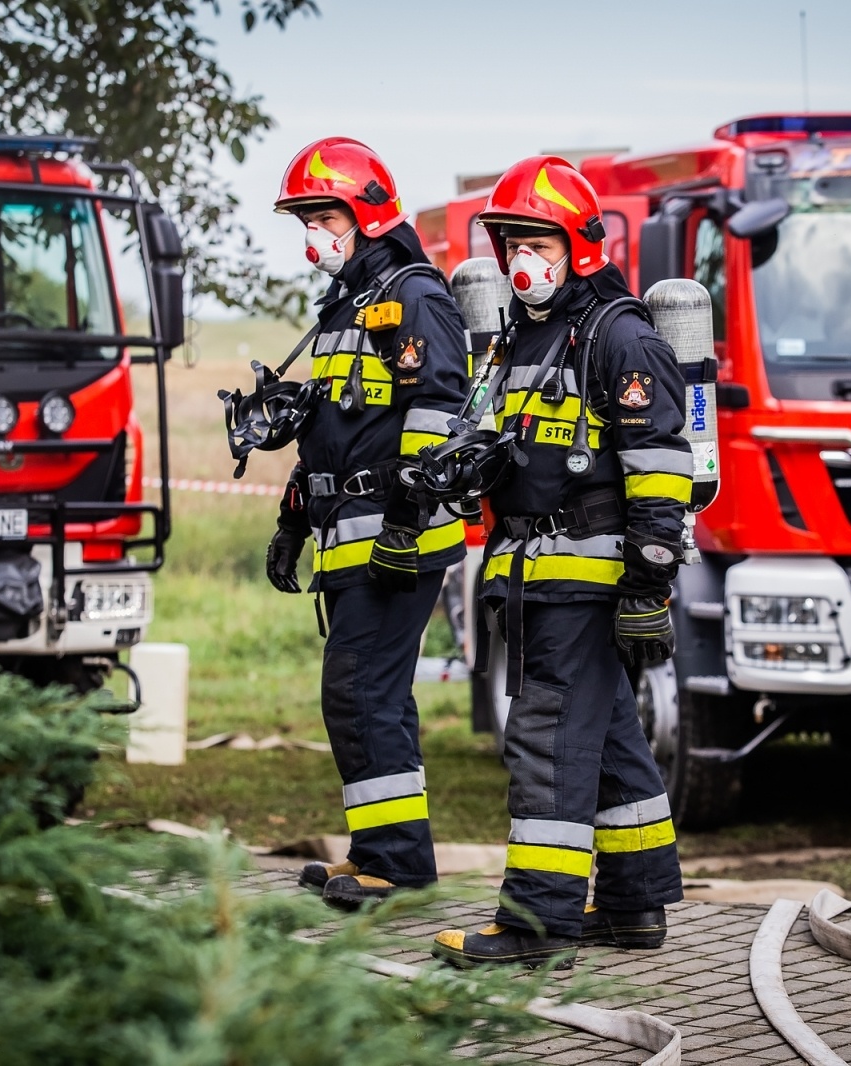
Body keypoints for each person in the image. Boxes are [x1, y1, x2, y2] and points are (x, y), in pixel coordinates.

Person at [429, 157, 689, 969]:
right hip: (532, 572)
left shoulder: (620, 335)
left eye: (534, 240)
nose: (519, 262)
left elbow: (662, 473)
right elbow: (511, 446)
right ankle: (633, 904)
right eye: (508, 243)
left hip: (588, 579)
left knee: (544, 741)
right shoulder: (525, 334)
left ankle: (537, 924)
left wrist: (649, 587)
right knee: (608, 737)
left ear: (578, 241)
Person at [266, 137, 469, 910]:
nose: (312, 233)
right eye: (305, 218)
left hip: (396, 542)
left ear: (365, 213)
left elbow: (437, 415)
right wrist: (293, 518)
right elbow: (331, 428)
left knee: (360, 692)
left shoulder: (414, 295)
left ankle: (396, 867)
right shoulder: (348, 301)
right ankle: (382, 855)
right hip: (351, 536)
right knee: (366, 694)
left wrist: (405, 527)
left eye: (322, 214)